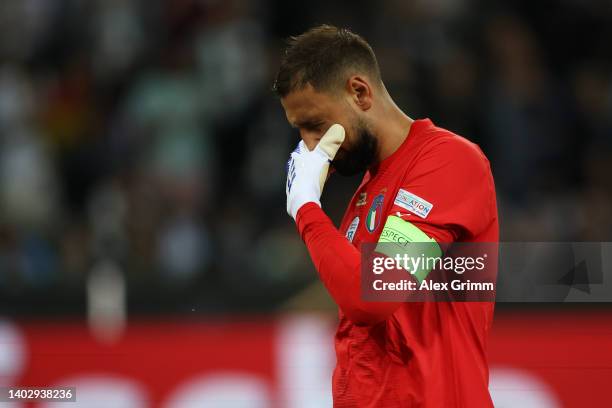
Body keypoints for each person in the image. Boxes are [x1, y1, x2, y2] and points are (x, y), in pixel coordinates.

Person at [274, 25, 498, 407]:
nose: (310, 147)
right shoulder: (367, 191)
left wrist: (306, 209)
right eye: (300, 132)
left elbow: (375, 297)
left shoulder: (449, 162)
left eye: (314, 125)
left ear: (359, 92)